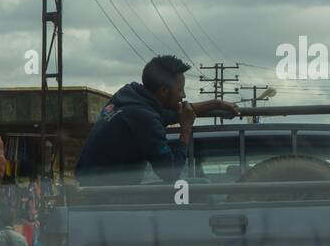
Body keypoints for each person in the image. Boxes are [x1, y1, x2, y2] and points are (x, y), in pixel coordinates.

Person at [75, 55, 239, 185]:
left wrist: (215, 103)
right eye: (180, 89)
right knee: (199, 185)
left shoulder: (129, 94)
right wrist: (186, 129)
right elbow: (171, 172)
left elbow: (172, 114)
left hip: (94, 185)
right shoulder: (144, 116)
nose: (183, 96)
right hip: (108, 195)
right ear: (163, 91)